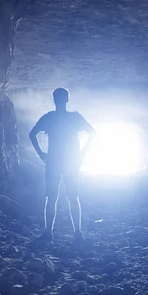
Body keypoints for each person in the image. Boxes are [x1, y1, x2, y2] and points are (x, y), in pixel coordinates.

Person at [29, 88, 95, 242]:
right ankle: (77, 232)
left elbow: (32, 134)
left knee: (51, 197)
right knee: (73, 197)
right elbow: (92, 132)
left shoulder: (49, 118)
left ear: (54, 100)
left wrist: (41, 153)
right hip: (70, 162)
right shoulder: (74, 118)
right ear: (67, 99)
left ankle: (48, 232)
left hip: (53, 161)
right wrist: (82, 153)